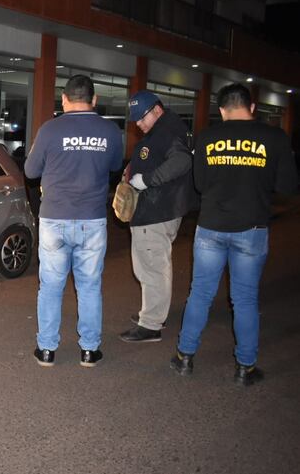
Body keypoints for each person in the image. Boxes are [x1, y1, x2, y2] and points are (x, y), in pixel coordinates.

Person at [171, 83, 297, 386]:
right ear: (252, 107)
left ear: (222, 110)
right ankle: (245, 368)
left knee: (200, 293)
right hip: (251, 228)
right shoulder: (274, 138)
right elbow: (288, 186)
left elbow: (200, 183)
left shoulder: (208, 137)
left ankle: (185, 357)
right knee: (244, 299)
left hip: (211, 227)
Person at [24, 75, 123, 368]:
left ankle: (46, 349)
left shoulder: (50, 130)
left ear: (64, 100)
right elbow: (116, 167)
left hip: (54, 217)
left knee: (50, 286)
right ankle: (89, 350)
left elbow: (30, 171)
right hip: (92, 219)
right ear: (94, 100)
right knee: (90, 286)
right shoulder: (110, 130)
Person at [119, 90, 196, 343]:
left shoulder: (167, 131)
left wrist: (148, 180)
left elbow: (182, 161)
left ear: (157, 110)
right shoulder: (165, 129)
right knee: (154, 265)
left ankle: (150, 324)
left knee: (152, 267)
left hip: (155, 211)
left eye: (142, 118)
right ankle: (152, 313)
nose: (139, 125)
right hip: (161, 209)